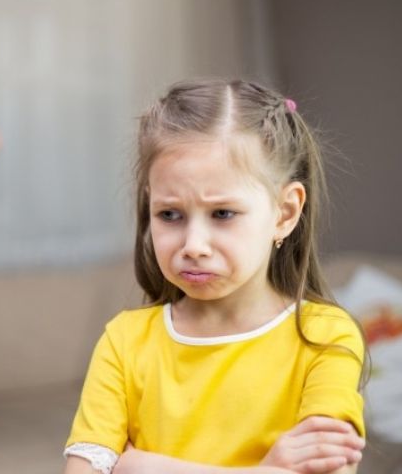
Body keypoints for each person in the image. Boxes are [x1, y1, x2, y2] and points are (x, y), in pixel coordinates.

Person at [62, 79, 367, 474]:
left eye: (223, 214)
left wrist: (135, 465)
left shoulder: (326, 336)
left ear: (285, 213)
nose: (193, 245)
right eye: (170, 215)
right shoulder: (124, 341)